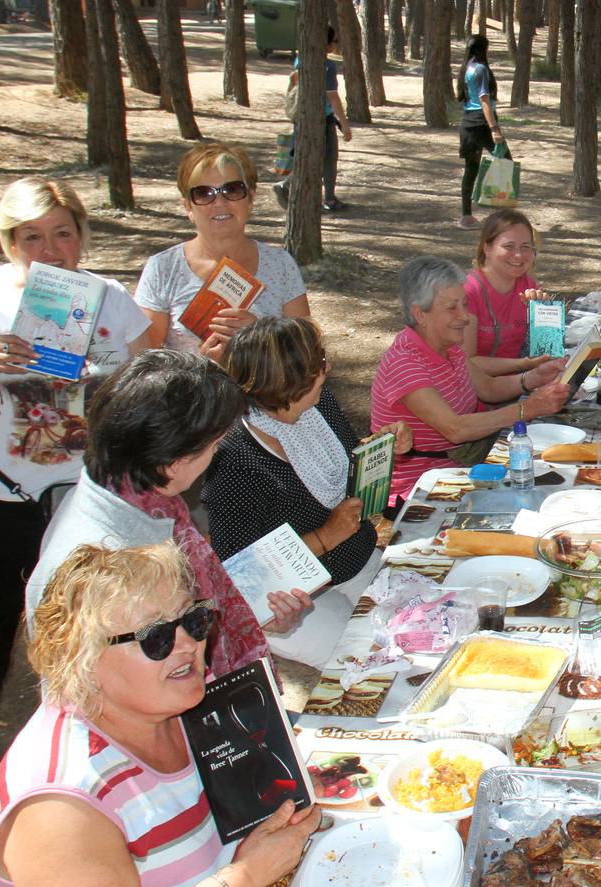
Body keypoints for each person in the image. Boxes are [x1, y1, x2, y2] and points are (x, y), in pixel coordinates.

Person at [0, 176, 152, 797]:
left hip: (85, 495)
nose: (49, 250)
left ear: (80, 235)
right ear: (8, 241)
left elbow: (147, 387)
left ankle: (94, 740)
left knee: (101, 619)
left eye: (62, 233)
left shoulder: (107, 297)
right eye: (31, 237)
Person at [0, 542, 319, 887]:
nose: (189, 644)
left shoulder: (187, 693)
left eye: (193, 620)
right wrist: (247, 875)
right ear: (84, 663)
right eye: (155, 637)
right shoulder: (61, 807)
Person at [25, 350, 314, 677]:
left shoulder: (138, 492)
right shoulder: (112, 563)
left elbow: (194, 598)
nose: (215, 455)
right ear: (174, 463)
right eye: (214, 445)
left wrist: (250, 613)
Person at [203, 317, 413, 667]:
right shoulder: (235, 459)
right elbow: (242, 575)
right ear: (290, 381)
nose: (327, 371)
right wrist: (325, 536)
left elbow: (346, 459)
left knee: (416, 632)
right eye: (320, 364)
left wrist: (381, 448)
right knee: (372, 665)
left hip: (354, 559)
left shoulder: (319, 405)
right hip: (293, 604)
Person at [372, 256, 570, 502]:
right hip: (422, 491)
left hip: (463, 471)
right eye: (452, 308)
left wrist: (532, 378)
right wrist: (527, 409)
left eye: (465, 305)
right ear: (419, 314)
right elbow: (455, 429)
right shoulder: (405, 363)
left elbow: (488, 387)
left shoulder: (448, 346)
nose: (465, 317)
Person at [135, 142, 313, 358]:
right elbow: (143, 359)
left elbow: (307, 352)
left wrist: (262, 339)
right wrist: (202, 366)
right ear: (188, 207)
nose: (219, 202)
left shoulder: (281, 264)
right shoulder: (162, 268)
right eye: (203, 193)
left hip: (268, 392)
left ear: (250, 199)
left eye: (232, 190)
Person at [462, 209, 562, 376]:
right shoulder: (469, 292)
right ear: (487, 248)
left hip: (515, 382)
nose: (518, 255)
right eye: (508, 246)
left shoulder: (528, 284)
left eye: (525, 247)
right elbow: (467, 362)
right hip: (475, 392)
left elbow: (548, 351)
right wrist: (522, 365)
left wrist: (546, 318)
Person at [273, 27, 352, 213]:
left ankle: (324, 197)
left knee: (310, 158)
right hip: (323, 121)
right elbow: (333, 97)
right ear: (326, 44)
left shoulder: (301, 60)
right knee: (328, 159)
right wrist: (345, 125)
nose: (336, 44)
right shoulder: (328, 66)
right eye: (334, 41)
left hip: (302, 119)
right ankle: (295, 188)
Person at [457, 34, 508, 229]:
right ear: (483, 49)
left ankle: (466, 216)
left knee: (471, 168)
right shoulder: (481, 69)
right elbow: (484, 101)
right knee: (506, 163)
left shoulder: (466, 69)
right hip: (481, 123)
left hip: (467, 123)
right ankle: (503, 217)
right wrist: (494, 129)